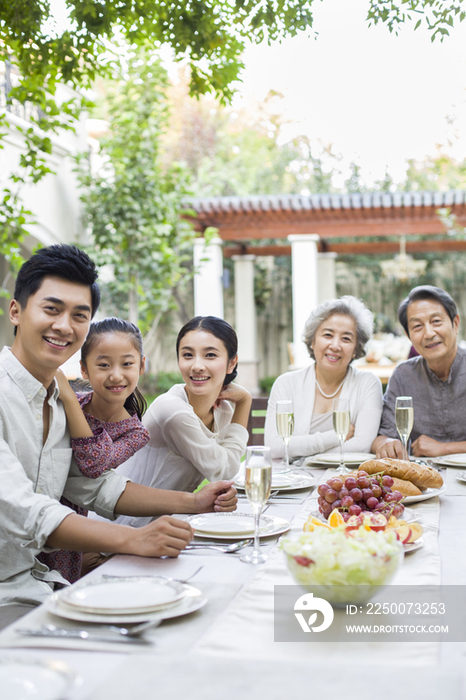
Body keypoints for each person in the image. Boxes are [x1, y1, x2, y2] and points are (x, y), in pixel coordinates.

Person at [0, 245, 236, 604]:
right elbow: (20, 507)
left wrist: (196, 502)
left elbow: (94, 487)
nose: (64, 326)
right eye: (51, 309)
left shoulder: (58, 401)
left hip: (44, 583)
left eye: (79, 315)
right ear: (15, 311)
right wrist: (131, 540)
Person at [105, 316, 252, 529]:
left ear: (231, 363)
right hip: (121, 528)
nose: (197, 366)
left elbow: (224, 471)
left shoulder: (224, 410)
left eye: (210, 355)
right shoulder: (172, 410)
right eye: (187, 355)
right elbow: (224, 471)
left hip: (166, 525)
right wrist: (245, 401)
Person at [39, 317, 151, 582]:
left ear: (141, 365)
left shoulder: (135, 432)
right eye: (103, 365)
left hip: (67, 526)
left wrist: (68, 398)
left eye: (127, 364)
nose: (115, 374)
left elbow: (93, 463)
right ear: (84, 369)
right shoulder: (61, 403)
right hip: (30, 509)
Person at [264, 296, 383, 460]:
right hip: (294, 482)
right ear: (312, 341)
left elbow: (361, 446)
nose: (335, 345)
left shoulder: (368, 383)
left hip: (345, 482)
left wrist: (302, 455)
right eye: (328, 335)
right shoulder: (286, 383)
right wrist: (334, 437)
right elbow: (275, 447)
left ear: (356, 348)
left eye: (346, 339)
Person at [372, 285, 466, 459]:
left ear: (455, 323)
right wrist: (384, 443)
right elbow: (385, 434)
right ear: (409, 337)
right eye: (417, 326)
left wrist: (444, 448)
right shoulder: (403, 375)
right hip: (420, 480)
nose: (429, 333)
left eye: (436, 321)